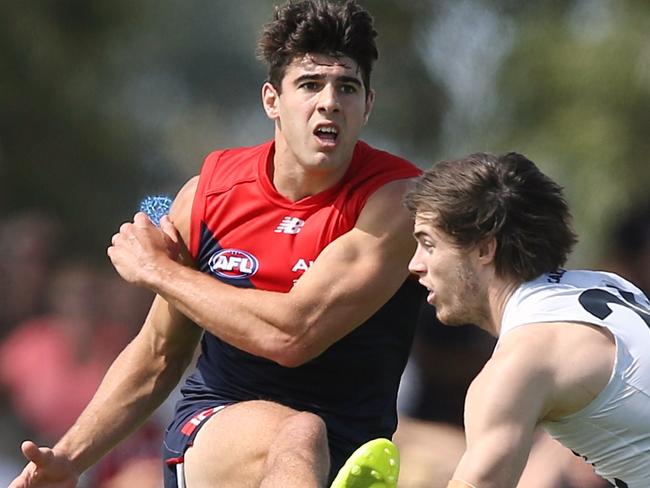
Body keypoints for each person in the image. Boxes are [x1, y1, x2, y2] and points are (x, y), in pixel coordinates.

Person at [9, 1, 424, 487]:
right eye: (310, 85)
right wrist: (68, 460)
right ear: (272, 100)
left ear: (367, 105)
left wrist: (159, 270)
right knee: (300, 433)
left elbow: (293, 337)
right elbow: (158, 355)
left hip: (354, 448)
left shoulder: (395, 200)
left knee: (416, 453)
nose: (329, 101)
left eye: (347, 87)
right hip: (221, 428)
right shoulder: (210, 192)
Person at [402, 152, 650, 487]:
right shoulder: (606, 285)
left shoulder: (519, 364)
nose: (415, 265)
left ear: (483, 250)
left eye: (428, 244)